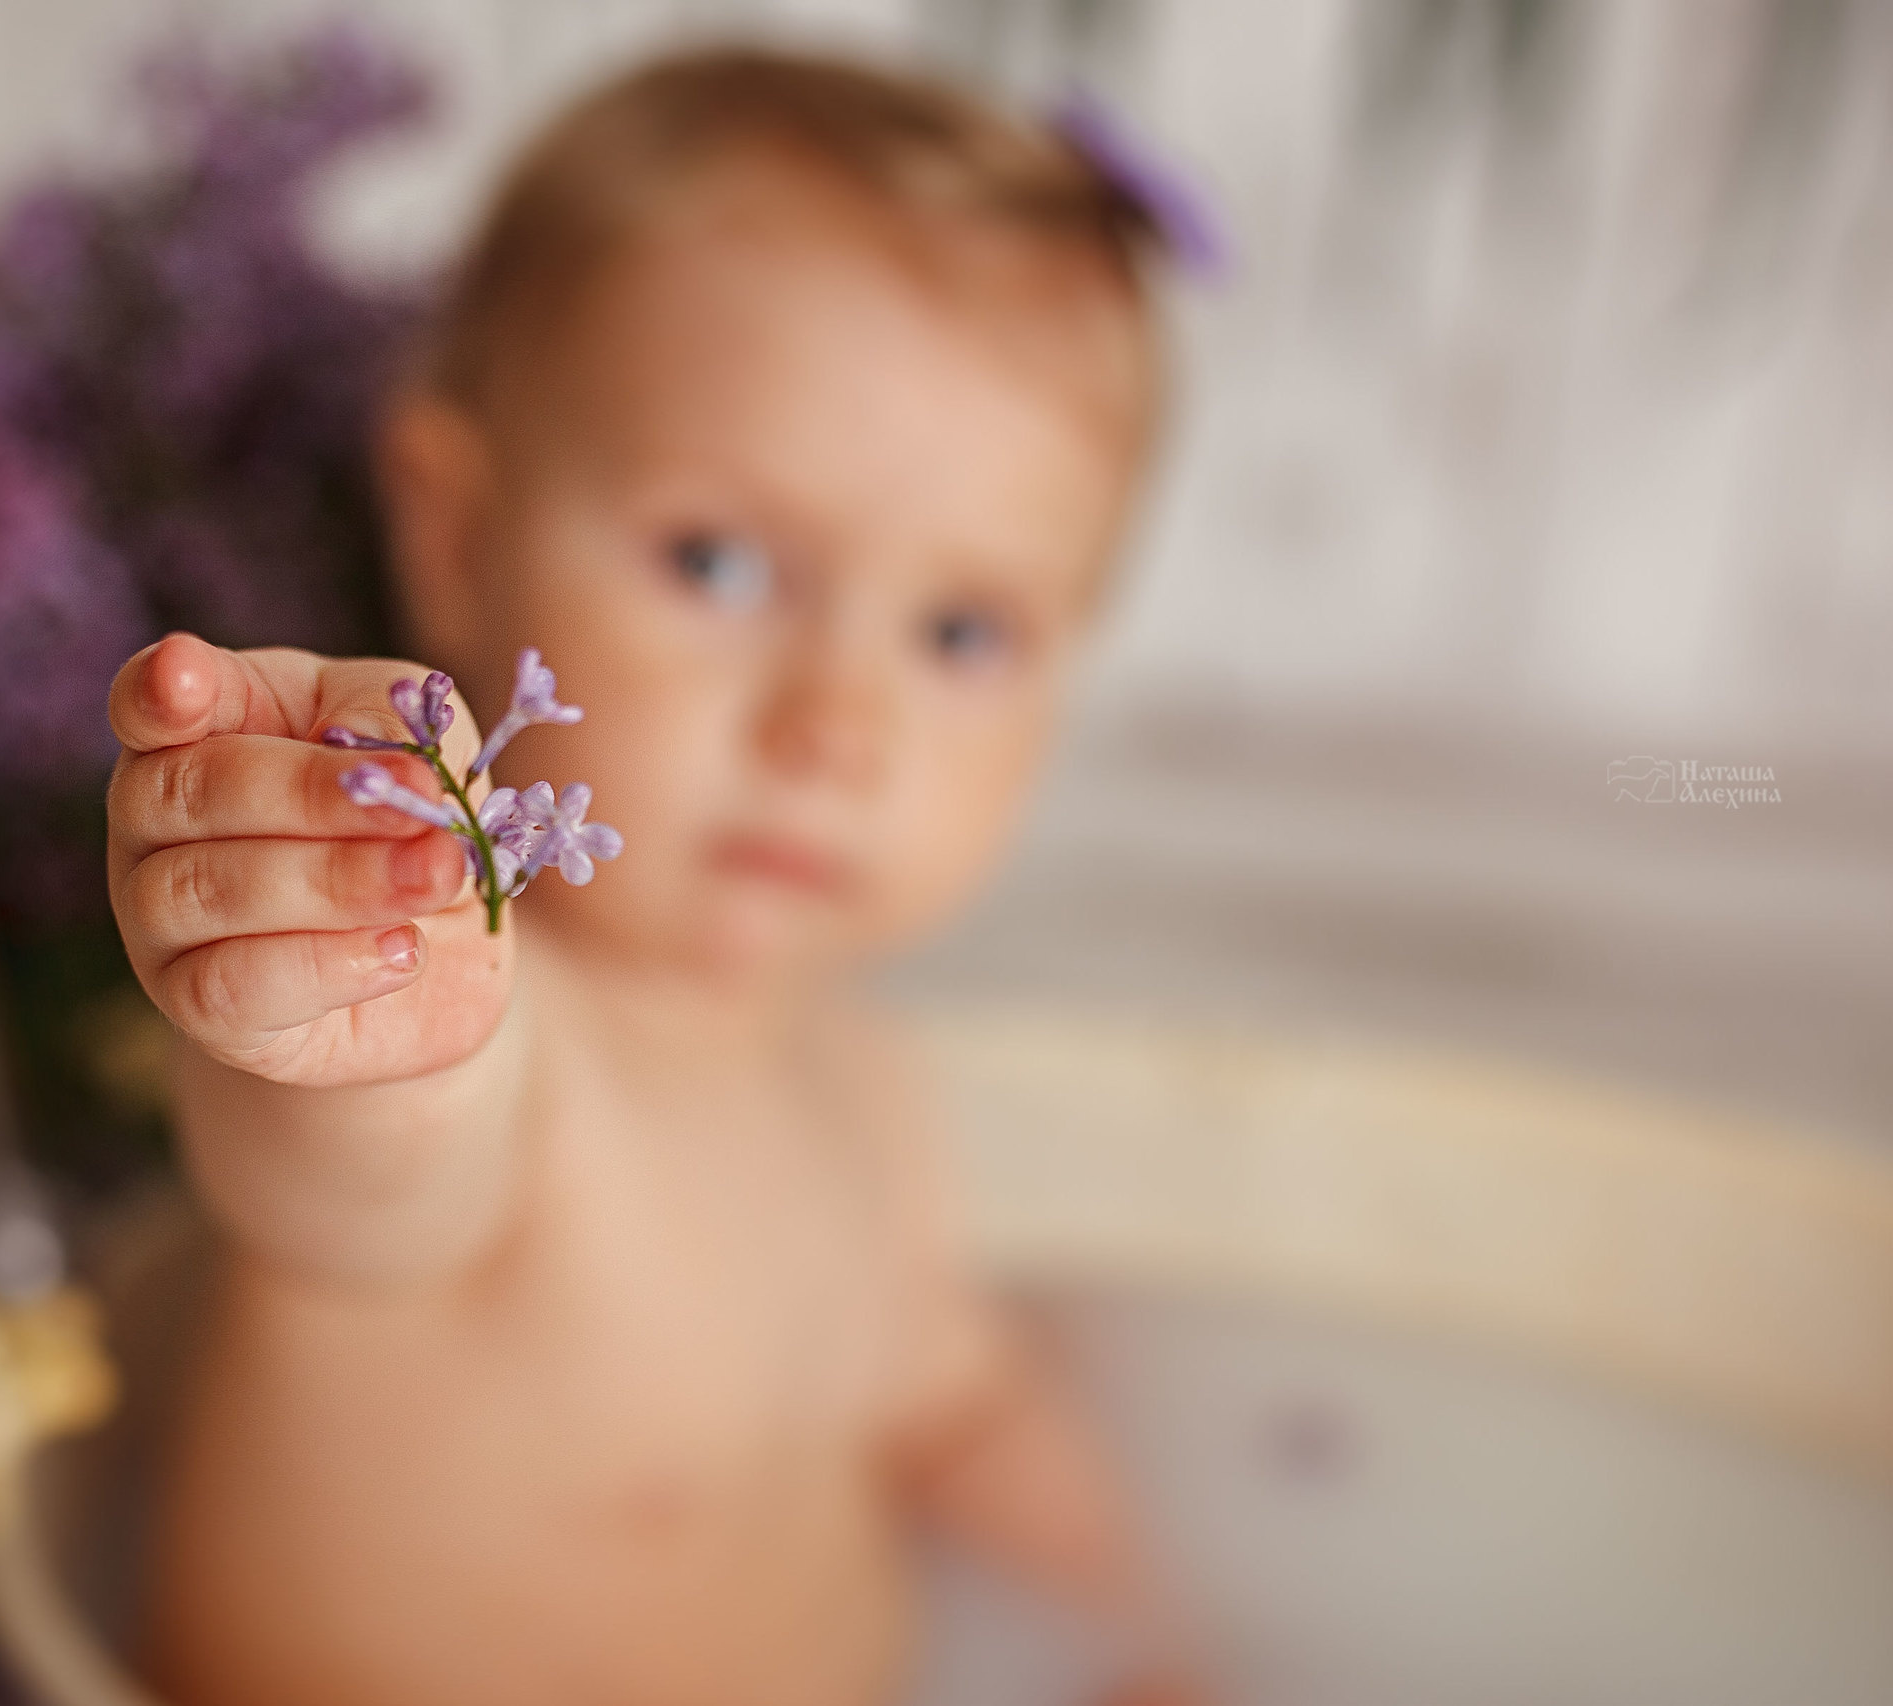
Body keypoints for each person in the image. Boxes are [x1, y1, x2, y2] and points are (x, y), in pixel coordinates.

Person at [103, 44, 1204, 1706]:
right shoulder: (503, 1041)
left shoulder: (864, 1086)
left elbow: (950, 1405)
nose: (837, 726)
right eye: (720, 561)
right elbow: (359, 1169)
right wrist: (349, 965)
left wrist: (1150, 1631)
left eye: (963, 632)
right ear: (459, 535)